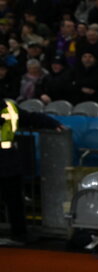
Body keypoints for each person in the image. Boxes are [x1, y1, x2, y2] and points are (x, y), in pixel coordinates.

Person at [1, 99, 62, 245]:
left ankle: (19, 233)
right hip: (8, 160)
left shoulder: (8, 107)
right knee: (14, 200)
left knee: (14, 199)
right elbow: (30, 117)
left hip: (7, 161)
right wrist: (52, 123)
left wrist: (51, 123)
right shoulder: (9, 107)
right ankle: (19, 233)